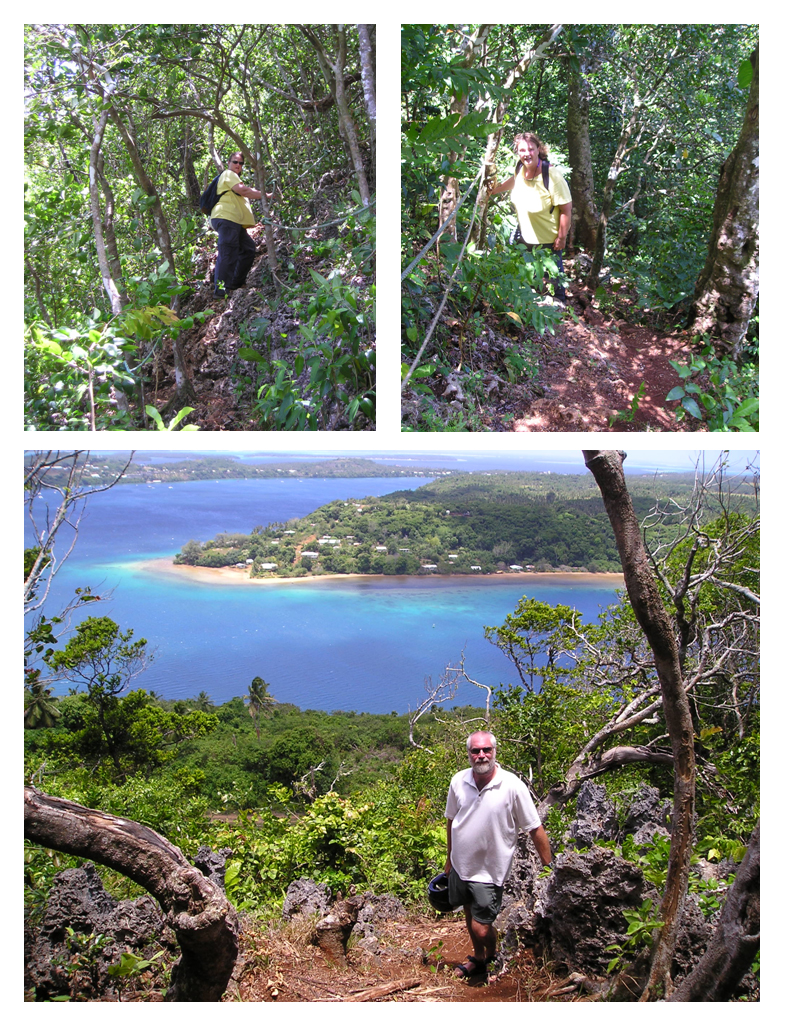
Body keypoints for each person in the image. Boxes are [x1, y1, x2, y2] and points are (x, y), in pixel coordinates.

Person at [444, 729, 552, 982]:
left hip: (490, 871)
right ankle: (478, 959)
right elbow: (450, 820)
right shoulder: (458, 781)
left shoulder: (512, 785)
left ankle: (491, 954)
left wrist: (549, 866)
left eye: (486, 750)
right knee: (469, 913)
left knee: (481, 928)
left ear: (494, 752)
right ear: (469, 754)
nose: (481, 755)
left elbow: (535, 827)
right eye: (475, 751)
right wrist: (449, 857)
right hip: (461, 865)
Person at [488, 131, 572, 302]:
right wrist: (494, 191)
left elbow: (566, 209)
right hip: (524, 234)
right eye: (522, 150)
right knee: (526, 275)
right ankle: (529, 306)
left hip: (548, 240)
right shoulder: (520, 168)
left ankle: (559, 314)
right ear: (518, 152)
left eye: (531, 149)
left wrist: (562, 238)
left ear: (538, 149)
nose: (527, 154)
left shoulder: (552, 176)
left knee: (554, 281)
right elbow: (514, 180)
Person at [209, 152, 272, 298]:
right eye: (235, 162)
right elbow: (244, 191)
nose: (238, 165)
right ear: (229, 163)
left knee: (248, 248)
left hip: (233, 222)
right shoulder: (229, 174)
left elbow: (244, 190)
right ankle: (220, 291)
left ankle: (234, 284)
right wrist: (267, 195)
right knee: (227, 253)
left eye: (241, 163)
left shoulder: (234, 179)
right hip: (226, 218)